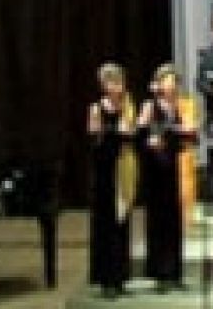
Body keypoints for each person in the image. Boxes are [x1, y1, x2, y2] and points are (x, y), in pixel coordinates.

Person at [136, 64, 198, 292]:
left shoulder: (179, 106)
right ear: (159, 84)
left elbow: (187, 135)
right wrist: (149, 139)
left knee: (174, 221)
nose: (172, 85)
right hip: (155, 169)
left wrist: (187, 134)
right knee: (158, 221)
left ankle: (175, 272)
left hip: (173, 167)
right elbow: (139, 134)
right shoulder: (149, 105)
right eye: (167, 81)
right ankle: (160, 274)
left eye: (174, 81)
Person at [87, 63, 137, 299]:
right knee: (105, 225)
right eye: (113, 82)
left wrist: (124, 132)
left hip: (123, 169)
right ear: (104, 85)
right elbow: (94, 137)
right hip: (105, 173)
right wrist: (115, 132)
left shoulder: (128, 107)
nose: (118, 87)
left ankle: (120, 277)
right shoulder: (96, 108)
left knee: (122, 225)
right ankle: (106, 279)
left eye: (120, 82)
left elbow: (132, 133)